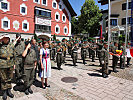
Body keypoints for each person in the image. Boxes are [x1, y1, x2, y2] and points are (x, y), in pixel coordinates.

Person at [0, 34, 20, 100]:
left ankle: (9, 90)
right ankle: (4, 92)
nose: (7, 39)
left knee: (9, 78)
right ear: (2, 39)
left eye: (8, 38)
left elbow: (14, 55)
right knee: (3, 79)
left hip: (10, 64)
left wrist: (14, 64)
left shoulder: (11, 45)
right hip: (2, 64)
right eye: (5, 38)